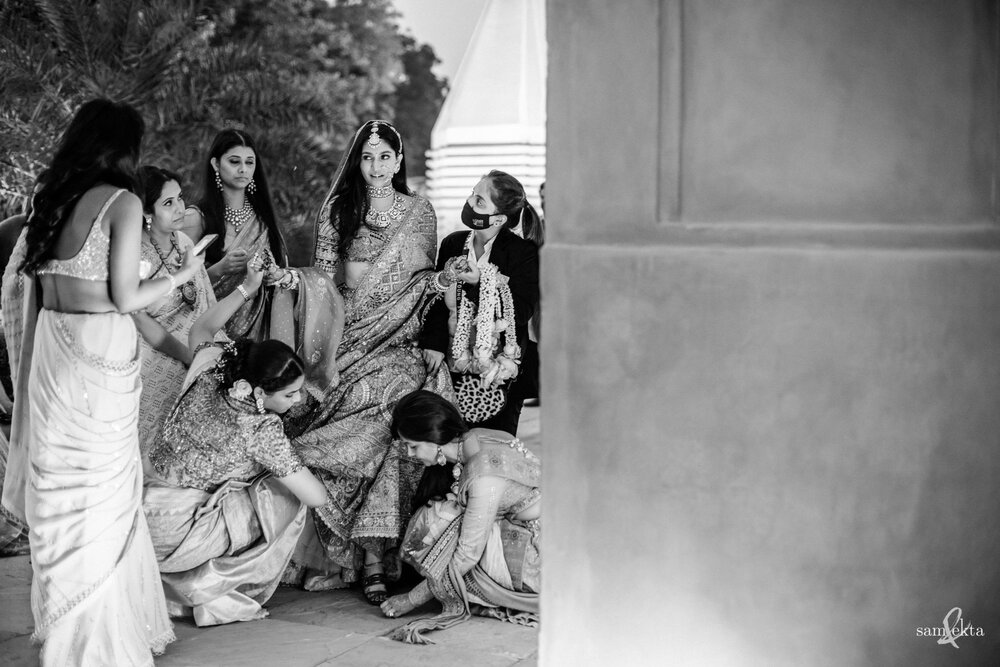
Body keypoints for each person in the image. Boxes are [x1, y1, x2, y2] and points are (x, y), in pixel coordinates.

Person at [2, 98, 204, 665]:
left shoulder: (50, 199)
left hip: (52, 349)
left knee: (60, 486)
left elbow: (38, 285)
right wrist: (183, 275)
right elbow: (124, 297)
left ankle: (64, 620)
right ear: (123, 147)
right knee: (102, 492)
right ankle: (93, 637)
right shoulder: (122, 202)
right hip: (101, 352)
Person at [287, 119, 457, 604]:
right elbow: (322, 284)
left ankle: (378, 552)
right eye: (367, 156)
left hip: (398, 344)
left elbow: (423, 283)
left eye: (385, 156)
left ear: (400, 161)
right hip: (346, 340)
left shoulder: (419, 213)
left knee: (398, 413)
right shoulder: (340, 209)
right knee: (338, 404)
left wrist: (444, 283)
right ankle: (362, 555)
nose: (376, 166)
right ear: (356, 161)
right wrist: (324, 353)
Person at [143, 261, 327, 626]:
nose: (298, 400)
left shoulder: (212, 367)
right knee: (281, 496)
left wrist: (248, 286)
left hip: (136, 507)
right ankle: (209, 589)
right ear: (258, 392)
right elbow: (315, 496)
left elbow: (204, 326)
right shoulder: (260, 429)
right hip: (171, 534)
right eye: (290, 395)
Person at [380, 390, 540, 644]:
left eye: (413, 446)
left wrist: (412, 599)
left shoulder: (483, 476)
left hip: (541, 545)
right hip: (531, 519)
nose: (410, 455)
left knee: (453, 543)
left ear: (434, 438)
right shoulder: (473, 438)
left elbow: (467, 554)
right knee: (446, 516)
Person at [420, 170, 541, 435]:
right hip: (452, 366)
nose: (470, 202)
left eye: (479, 201)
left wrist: (479, 283)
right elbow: (437, 300)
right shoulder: (452, 243)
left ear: (498, 218)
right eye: (472, 195)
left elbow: (519, 313)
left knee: (491, 449)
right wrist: (434, 343)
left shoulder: (523, 254)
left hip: (500, 371)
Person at [133, 166, 217, 458]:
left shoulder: (185, 243)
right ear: (146, 211)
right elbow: (140, 320)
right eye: (168, 203)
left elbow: (205, 302)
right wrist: (187, 356)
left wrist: (210, 348)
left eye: (180, 198)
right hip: (155, 348)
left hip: (197, 338)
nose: (180, 208)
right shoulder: (133, 254)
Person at [186, 128, 297, 341]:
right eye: (234, 162)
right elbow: (178, 287)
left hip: (261, 335)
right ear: (216, 164)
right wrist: (219, 270)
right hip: (208, 332)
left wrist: (274, 274)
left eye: (249, 162)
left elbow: (281, 271)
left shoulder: (264, 220)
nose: (243, 169)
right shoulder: (196, 219)